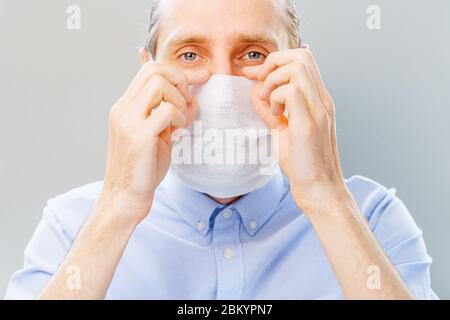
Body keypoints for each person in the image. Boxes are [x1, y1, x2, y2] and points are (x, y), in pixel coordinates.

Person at [5, 0, 437, 299]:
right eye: (190, 55)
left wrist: (326, 195)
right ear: (147, 73)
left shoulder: (372, 219)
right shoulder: (70, 228)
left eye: (252, 53)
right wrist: (119, 205)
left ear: (301, 68)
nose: (222, 84)